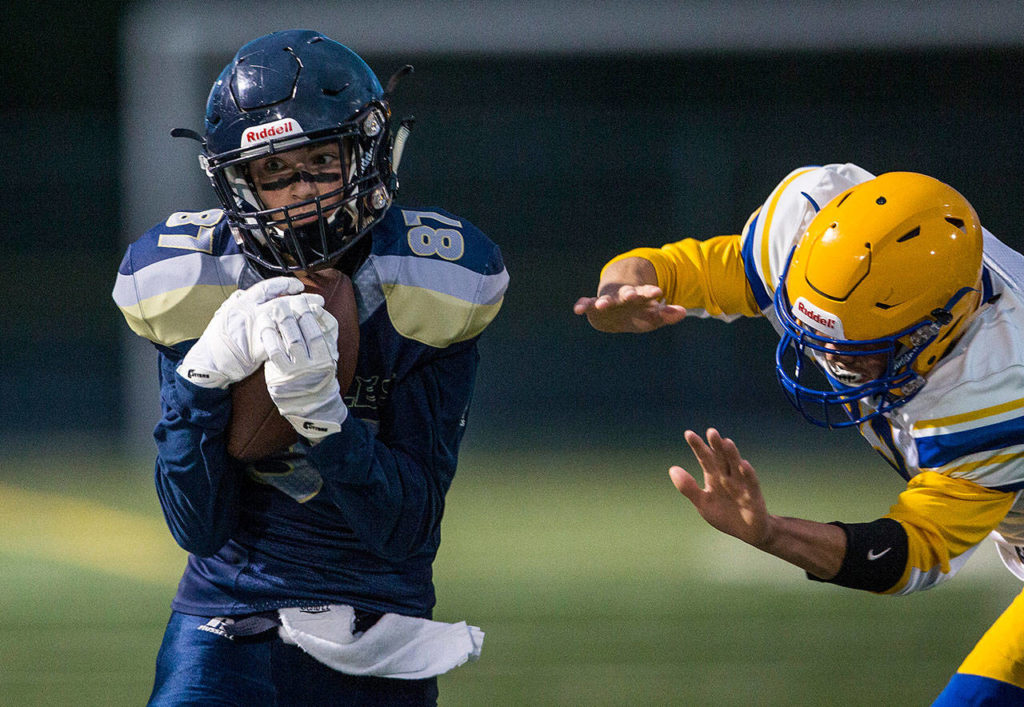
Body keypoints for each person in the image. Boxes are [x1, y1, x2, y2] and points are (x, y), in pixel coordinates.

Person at [112, 29, 508, 705]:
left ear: (369, 153)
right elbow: (196, 524)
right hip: (224, 618)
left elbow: (405, 527)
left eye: (321, 161)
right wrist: (201, 379)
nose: (301, 195)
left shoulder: (431, 281)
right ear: (236, 181)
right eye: (275, 173)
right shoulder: (189, 278)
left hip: (378, 618)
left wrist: (325, 420)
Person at [574, 163, 1024, 705]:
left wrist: (773, 533)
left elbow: (914, 551)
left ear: (936, 328)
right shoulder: (810, 224)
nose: (830, 357)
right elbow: (689, 268)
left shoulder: (1001, 388)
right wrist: (620, 289)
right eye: (814, 329)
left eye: (859, 346)